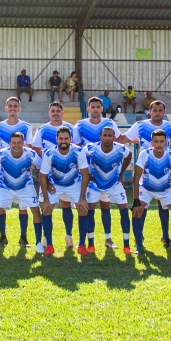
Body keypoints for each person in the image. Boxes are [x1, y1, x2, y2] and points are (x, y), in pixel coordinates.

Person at [74, 96, 127, 250]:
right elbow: (77, 146)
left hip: (106, 171)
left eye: (98, 106)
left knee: (105, 205)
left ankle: (108, 238)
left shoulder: (109, 123)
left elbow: (118, 142)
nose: (96, 109)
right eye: (93, 107)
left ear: (102, 109)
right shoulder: (80, 124)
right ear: (88, 109)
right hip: (88, 173)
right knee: (87, 208)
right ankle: (87, 241)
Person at [125, 100, 171, 247]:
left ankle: (166, 237)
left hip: (164, 172)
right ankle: (139, 239)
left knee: (164, 205)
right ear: (150, 111)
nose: (157, 112)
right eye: (155, 110)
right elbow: (126, 138)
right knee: (142, 207)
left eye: (160, 110)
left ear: (164, 112)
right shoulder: (140, 125)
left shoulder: (170, 127)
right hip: (147, 171)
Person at [0, 132, 43, 254]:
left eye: (19, 143)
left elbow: (42, 166)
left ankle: (38, 243)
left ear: (23, 143)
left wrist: (38, 174)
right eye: (14, 143)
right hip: (5, 186)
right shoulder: (2, 153)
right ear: (10, 143)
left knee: (36, 210)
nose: (16, 145)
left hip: (25, 186)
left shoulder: (30, 154)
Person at [39, 127, 90, 256]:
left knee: (83, 208)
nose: (63, 141)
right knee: (46, 209)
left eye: (66, 138)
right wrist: (45, 200)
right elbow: (42, 176)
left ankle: (81, 245)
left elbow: (85, 174)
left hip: (74, 183)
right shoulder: (50, 153)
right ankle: (49, 245)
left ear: (71, 139)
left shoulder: (78, 151)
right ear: (56, 139)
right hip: (55, 185)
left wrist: (82, 197)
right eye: (61, 138)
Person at [131, 130, 171, 255]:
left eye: (161, 142)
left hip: (165, 189)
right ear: (151, 143)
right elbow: (137, 178)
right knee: (136, 212)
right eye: (156, 142)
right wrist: (136, 201)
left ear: (166, 143)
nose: (159, 144)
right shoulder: (145, 154)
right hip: (147, 189)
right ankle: (139, 244)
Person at [32, 101, 77, 247]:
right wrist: (47, 160)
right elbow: (36, 147)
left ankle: (69, 235)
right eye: (53, 111)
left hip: (67, 174)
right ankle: (46, 238)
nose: (55, 113)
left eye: (58, 110)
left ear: (62, 113)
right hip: (49, 175)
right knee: (47, 206)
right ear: (49, 113)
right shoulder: (43, 129)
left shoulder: (70, 128)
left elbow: (77, 147)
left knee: (66, 204)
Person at [83, 127, 133, 254]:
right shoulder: (90, 148)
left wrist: (121, 173)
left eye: (110, 135)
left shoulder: (120, 149)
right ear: (100, 137)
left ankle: (125, 245)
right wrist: (88, 175)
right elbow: (80, 159)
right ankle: (91, 244)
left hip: (114, 184)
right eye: (104, 135)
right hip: (95, 184)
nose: (107, 138)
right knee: (90, 211)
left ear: (114, 137)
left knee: (124, 210)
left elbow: (129, 155)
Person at [0, 97, 34, 247]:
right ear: (6, 108)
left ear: (19, 109)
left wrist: (29, 168)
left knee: (23, 207)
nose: (12, 108)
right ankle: (3, 237)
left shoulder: (26, 126)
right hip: (2, 172)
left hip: (22, 172)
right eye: (9, 106)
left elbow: (28, 148)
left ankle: (23, 237)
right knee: (1, 206)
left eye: (15, 106)